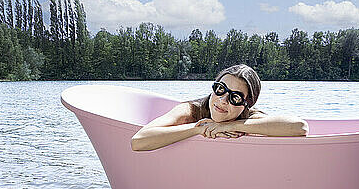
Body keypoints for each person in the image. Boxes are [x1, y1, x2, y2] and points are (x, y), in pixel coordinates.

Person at [131, 64, 309, 151]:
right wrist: (199, 129)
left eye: (235, 97)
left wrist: (229, 126)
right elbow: (138, 141)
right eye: (220, 89)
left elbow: (299, 127)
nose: (223, 100)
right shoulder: (190, 110)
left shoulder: (248, 118)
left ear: (246, 105)